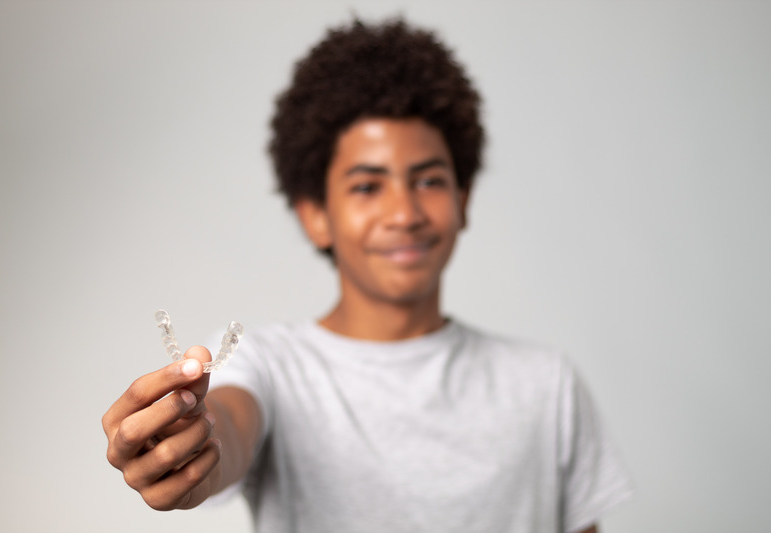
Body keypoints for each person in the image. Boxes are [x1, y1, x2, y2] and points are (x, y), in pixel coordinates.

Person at [102, 18, 632, 533]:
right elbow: (230, 427)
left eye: (428, 180)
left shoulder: (546, 386)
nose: (404, 213)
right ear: (315, 215)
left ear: (462, 200)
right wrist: (189, 443)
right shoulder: (271, 367)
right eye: (366, 186)